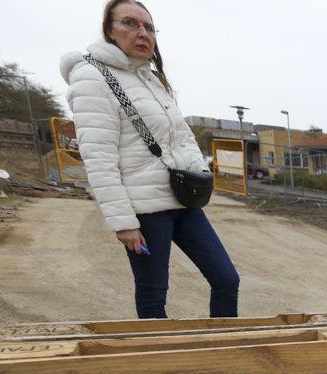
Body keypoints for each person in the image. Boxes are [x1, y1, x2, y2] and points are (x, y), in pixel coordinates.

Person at [60, 0, 239, 319]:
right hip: (145, 212)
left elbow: (182, 134)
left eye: (149, 27)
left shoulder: (151, 77)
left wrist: (198, 173)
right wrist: (123, 223)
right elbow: (99, 158)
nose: (142, 33)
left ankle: (223, 351)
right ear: (109, 31)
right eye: (130, 23)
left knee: (226, 279)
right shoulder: (92, 78)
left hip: (183, 201)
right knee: (154, 293)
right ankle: (160, 364)